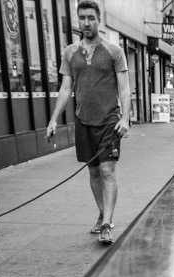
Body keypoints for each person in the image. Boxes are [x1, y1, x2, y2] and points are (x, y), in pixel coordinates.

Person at [46, 0, 129, 245]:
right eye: (82, 18)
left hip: (109, 122)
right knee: (93, 171)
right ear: (78, 20)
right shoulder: (70, 53)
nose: (86, 22)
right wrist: (53, 119)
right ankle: (103, 213)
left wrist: (126, 118)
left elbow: (124, 89)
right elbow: (66, 88)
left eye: (91, 18)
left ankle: (107, 225)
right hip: (83, 121)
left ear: (98, 20)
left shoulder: (114, 51)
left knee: (107, 171)